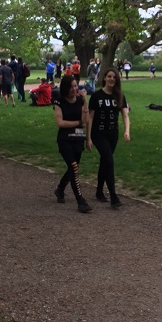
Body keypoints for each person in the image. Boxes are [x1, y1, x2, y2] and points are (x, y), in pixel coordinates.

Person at [87, 67, 130, 208]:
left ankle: (99, 191)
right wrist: (88, 137)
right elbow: (90, 117)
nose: (112, 79)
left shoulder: (120, 96)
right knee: (109, 161)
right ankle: (113, 196)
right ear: (104, 78)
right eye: (109, 76)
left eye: (114, 77)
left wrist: (127, 131)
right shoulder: (96, 96)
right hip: (98, 134)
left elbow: (125, 116)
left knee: (105, 161)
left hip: (113, 134)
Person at [52, 74, 92, 213]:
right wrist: (77, 123)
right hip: (65, 140)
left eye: (76, 86)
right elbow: (60, 122)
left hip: (78, 139)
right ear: (65, 88)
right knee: (74, 167)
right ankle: (81, 201)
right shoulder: (59, 102)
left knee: (72, 169)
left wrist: (85, 102)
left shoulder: (80, 101)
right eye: (71, 87)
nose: (74, 89)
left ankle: (60, 189)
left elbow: (85, 121)